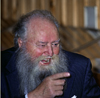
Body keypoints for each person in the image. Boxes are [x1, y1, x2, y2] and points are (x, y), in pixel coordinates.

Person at [1, 10, 100, 98]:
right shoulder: (2, 71)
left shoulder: (80, 67)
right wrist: (34, 96)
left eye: (55, 44)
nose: (50, 52)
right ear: (21, 43)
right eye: (42, 45)